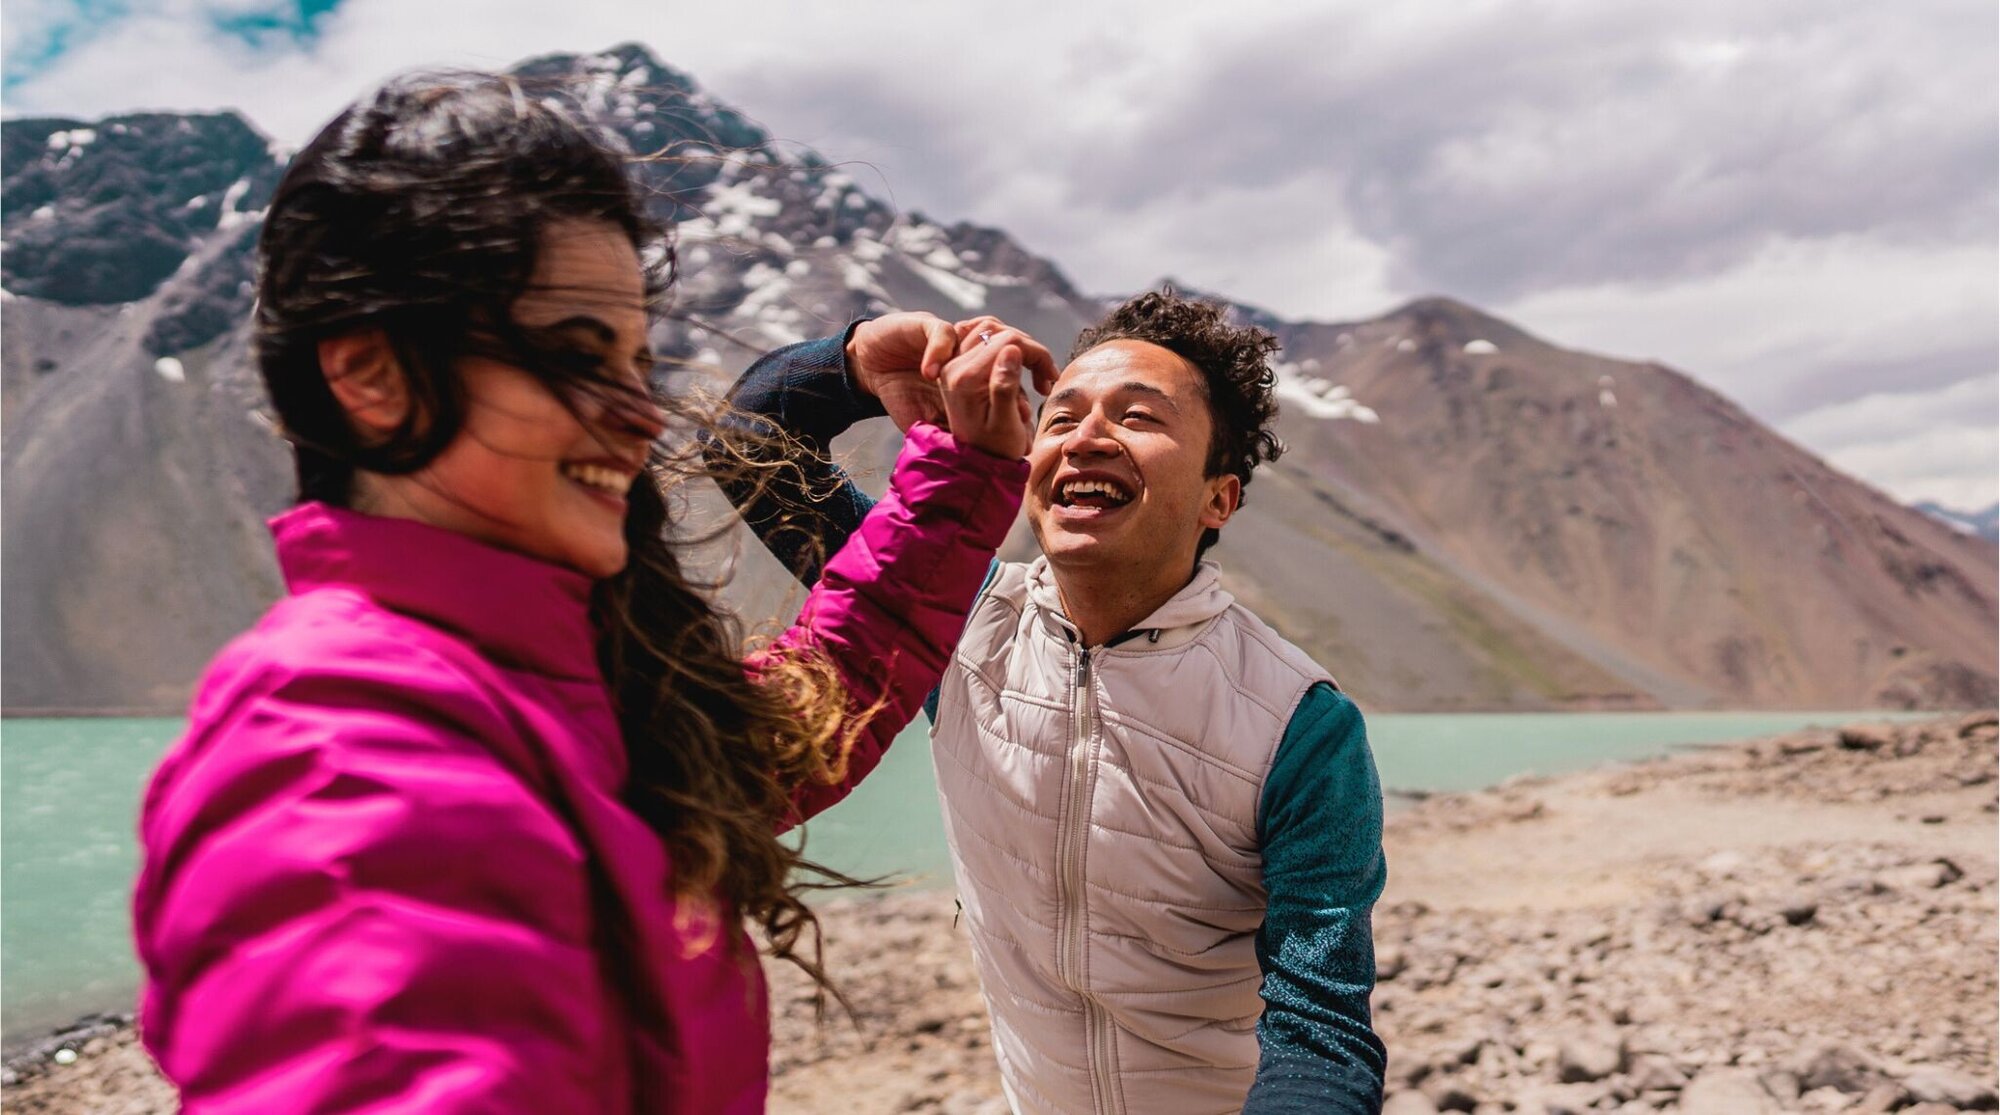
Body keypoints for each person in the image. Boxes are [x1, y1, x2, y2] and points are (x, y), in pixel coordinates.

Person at [130, 71, 1033, 1113]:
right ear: (370, 373)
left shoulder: (556, 693)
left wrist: (962, 472)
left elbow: (805, 705)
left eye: (636, 364)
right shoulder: (341, 755)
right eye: (574, 356)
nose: (640, 414)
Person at [714, 291, 1388, 1113]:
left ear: (1220, 497)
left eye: (1138, 416)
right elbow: (750, 441)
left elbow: (1320, 1030)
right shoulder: (948, 620)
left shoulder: (1299, 724)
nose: (1085, 436)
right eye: (1060, 416)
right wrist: (855, 363)